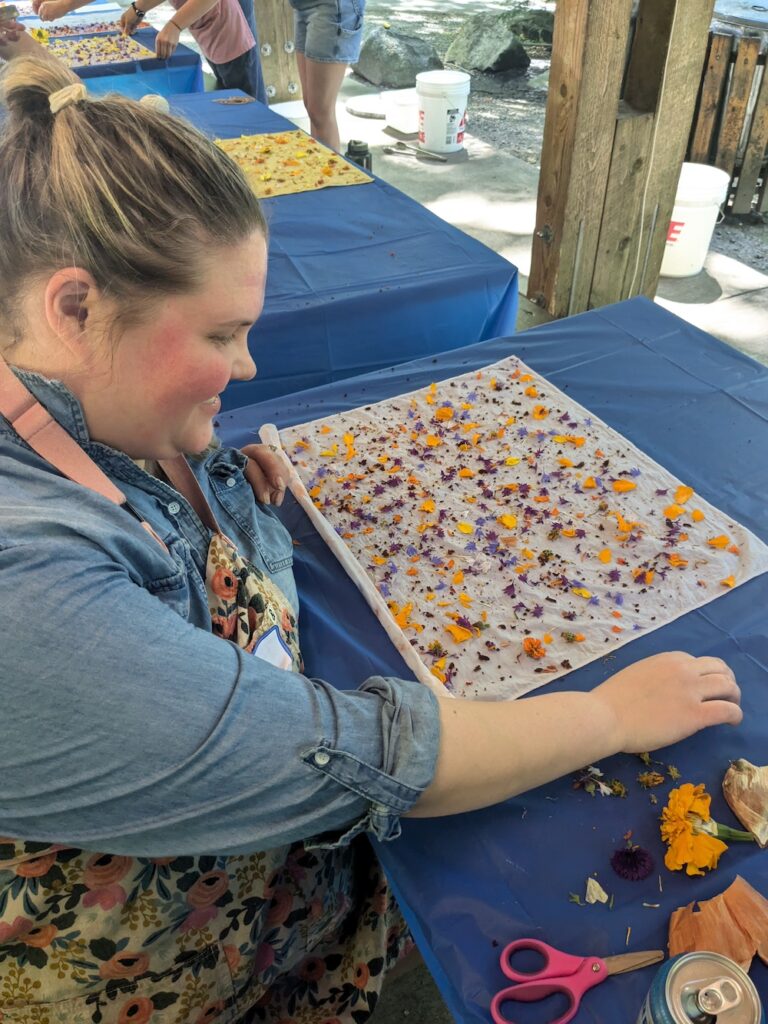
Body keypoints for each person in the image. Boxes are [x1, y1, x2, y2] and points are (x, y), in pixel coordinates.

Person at [0, 53, 743, 1024]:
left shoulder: (73, 401)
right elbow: (367, 755)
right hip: (148, 974)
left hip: (267, 910)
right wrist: (612, 717)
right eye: (221, 335)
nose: (248, 363)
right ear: (73, 307)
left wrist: (210, 473)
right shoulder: (28, 591)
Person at [31, 0, 266, 101]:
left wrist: (175, 25)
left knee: (247, 100)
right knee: (228, 90)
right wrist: (138, 9)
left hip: (225, 23)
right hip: (209, 23)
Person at [287, 0, 365, 151]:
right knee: (312, 107)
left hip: (331, 6)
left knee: (320, 111)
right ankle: (317, 169)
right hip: (301, 6)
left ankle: (330, 173)